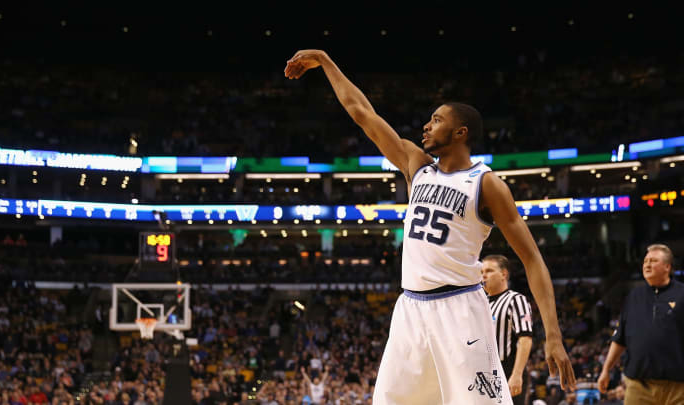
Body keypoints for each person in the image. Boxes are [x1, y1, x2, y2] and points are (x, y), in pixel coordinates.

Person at [285, 49, 576, 404]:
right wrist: (325, 61)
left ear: (460, 133)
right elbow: (363, 113)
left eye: (436, 120)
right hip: (410, 308)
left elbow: (532, 260)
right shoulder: (416, 165)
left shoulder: (486, 184)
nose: (426, 125)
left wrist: (554, 335)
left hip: (460, 310)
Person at [596, 243, 684, 404]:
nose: (647, 264)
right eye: (645, 261)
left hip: (678, 388)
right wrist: (606, 370)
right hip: (638, 386)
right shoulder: (633, 296)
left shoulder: (682, 294)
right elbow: (619, 338)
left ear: (667, 266)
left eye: (653, 261)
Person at [482, 255, 534, 404]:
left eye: (489, 271)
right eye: (481, 272)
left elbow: (525, 339)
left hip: (507, 370)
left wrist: (517, 374)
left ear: (504, 274)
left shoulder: (516, 300)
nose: (484, 275)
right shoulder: (481, 303)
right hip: (483, 372)